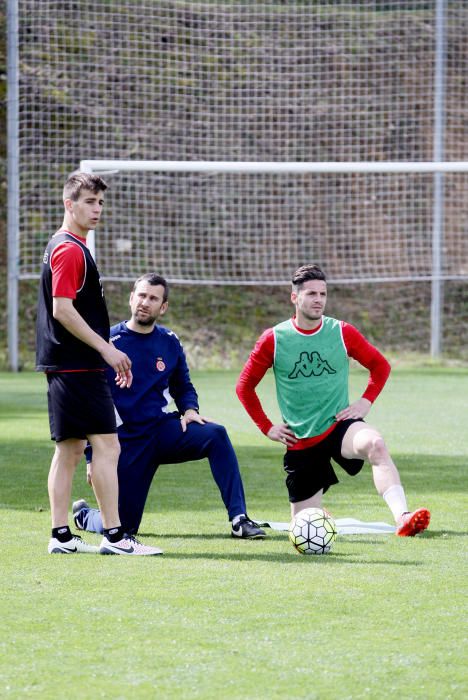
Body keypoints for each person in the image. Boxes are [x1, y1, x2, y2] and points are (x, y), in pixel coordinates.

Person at [236, 263, 430, 537]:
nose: (318, 300)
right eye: (311, 294)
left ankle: (403, 517)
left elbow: (380, 366)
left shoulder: (342, 332)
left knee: (375, 444)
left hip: (340, 426)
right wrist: (267, 427)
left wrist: (365, 402)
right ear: (295, 297)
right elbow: (244, 386)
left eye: (323, 294)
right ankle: (318, 511)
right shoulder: (274, 339)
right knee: (304, 528)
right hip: (300, 438)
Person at [72, 273, 266, 540]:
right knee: (123, 525)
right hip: (125, 442)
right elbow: (90, 402)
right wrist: (93, 456)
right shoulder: (107, 343)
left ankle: (239, 519)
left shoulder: (170, 341)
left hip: (161, 431)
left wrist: (189, 410)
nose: (145, 302)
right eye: (141, 295)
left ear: (163, 307)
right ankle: (85, 515)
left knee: (215, 434)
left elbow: (182, 385)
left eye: (153, 298)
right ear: (131, 299)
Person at [36, 172, 162, 555]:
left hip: (67, 365)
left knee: (70, 449)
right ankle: (115, 536)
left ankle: (61, 536)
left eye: (101, 202)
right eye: (89, 202)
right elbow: (62, 310)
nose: (97, 209)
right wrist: (106, 349)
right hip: (77, 367)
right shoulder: (70, 249)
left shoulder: (66, 246)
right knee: (108, 447)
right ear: (69, 204)